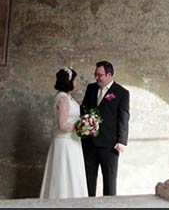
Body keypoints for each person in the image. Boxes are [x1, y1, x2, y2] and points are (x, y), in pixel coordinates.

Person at [80, 60, 130, 196]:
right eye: (95, 75)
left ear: (109, 75)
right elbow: (83, 109)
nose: (96, 78)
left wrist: (121, 141)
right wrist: (84, 126)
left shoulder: (121, 93)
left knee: (109, 181)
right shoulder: (91, 88)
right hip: (89, 142)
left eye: (100, 75)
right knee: (88, 180)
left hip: (110, 145)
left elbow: (124, 118)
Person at [39, 67, 88, 199]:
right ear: (69, 81)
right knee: (64, 174)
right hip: (65, 143)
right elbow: (62, 125)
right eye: (75, 79)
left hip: (71, 142)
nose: (76, 82)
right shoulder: (63, 99)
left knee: (71, 174)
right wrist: (81, 126)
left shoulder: (66, 97)